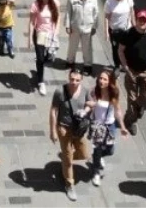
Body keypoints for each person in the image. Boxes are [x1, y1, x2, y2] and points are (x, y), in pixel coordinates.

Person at [50, 68, 90, 201]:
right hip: (64, 129)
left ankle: (65, 158)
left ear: (81, 80)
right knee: (68, 159)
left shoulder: (85, 91)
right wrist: (53, 130)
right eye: (72, 79)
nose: (74, 82)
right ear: (69, 77)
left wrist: (86, 110)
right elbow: (53, 111)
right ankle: (69, 184)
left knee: (84, 154)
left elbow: (90, 103)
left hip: (78, 129)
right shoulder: (60, 91)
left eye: (77, 80)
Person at [120, 9, 146, 135]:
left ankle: (138, 106)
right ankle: (130, 122)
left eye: (145, 20)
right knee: (131, 98)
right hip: (131, 70)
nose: (142, 22)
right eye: (140, 20)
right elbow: (120, 50)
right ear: (136, 20)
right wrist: (125, 67)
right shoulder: (128, 34)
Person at [86, 68, 129, 187]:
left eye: (105, 79)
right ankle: (96, 172)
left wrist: (123, 126)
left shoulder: (113, 92)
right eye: (100, 78)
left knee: (110, 150)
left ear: (110, 81)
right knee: (98, 148)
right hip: (97, 125)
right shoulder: (94, 91)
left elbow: (117, 110)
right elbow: (89, 104)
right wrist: (91, 105)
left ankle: (98, 156)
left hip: (110, 125)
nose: (102, 81)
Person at [29, 0, 61, 95]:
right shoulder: (36, 5)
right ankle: (41, 81)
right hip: (40, 34)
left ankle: (40, 63)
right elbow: (32, 22)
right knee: (41, 58)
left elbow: (58, 17)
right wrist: (29, 39)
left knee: (50, 57)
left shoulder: (55, 3)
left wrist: (56, 31)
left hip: (51, 34)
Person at [65, 0, 99, 72]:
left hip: (88, 28)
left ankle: (87, 65)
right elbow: (68, 12)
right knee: (72, 46)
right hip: (75, 27)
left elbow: (96, 13)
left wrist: (95, 27)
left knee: (87, 48)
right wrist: (67, 26)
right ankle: (70, 62)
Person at [105, 0, 136, 70]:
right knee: (116, 49)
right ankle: (117, 66)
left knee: (127, 48)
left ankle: (125, 65)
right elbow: (107, 17)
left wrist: (134, 25)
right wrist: (106, 31)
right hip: (115, 30)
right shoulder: (109, 2)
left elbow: (132, 12)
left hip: (127, 29)